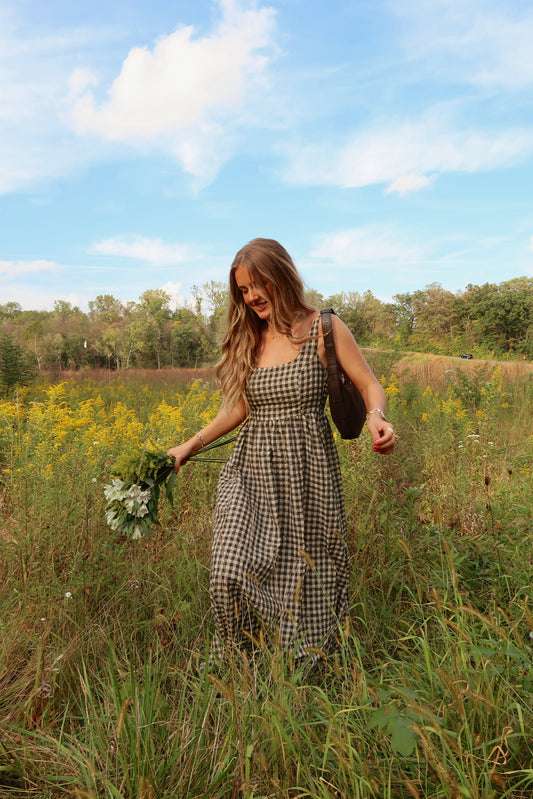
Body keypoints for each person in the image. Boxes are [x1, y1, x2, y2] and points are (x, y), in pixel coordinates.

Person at [167, 238, 397, 665]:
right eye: (242, 290)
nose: (251, 296)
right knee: (227, 571)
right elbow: (236, 408)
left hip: (307, 472)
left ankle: (295, 663)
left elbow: (368, 383)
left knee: (303, 573)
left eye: (258, 284)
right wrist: (188, 445)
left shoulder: (323, 328)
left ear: (282, 277)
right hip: (249, 471)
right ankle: (239, 659)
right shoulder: (248, 338)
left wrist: (376, 417)